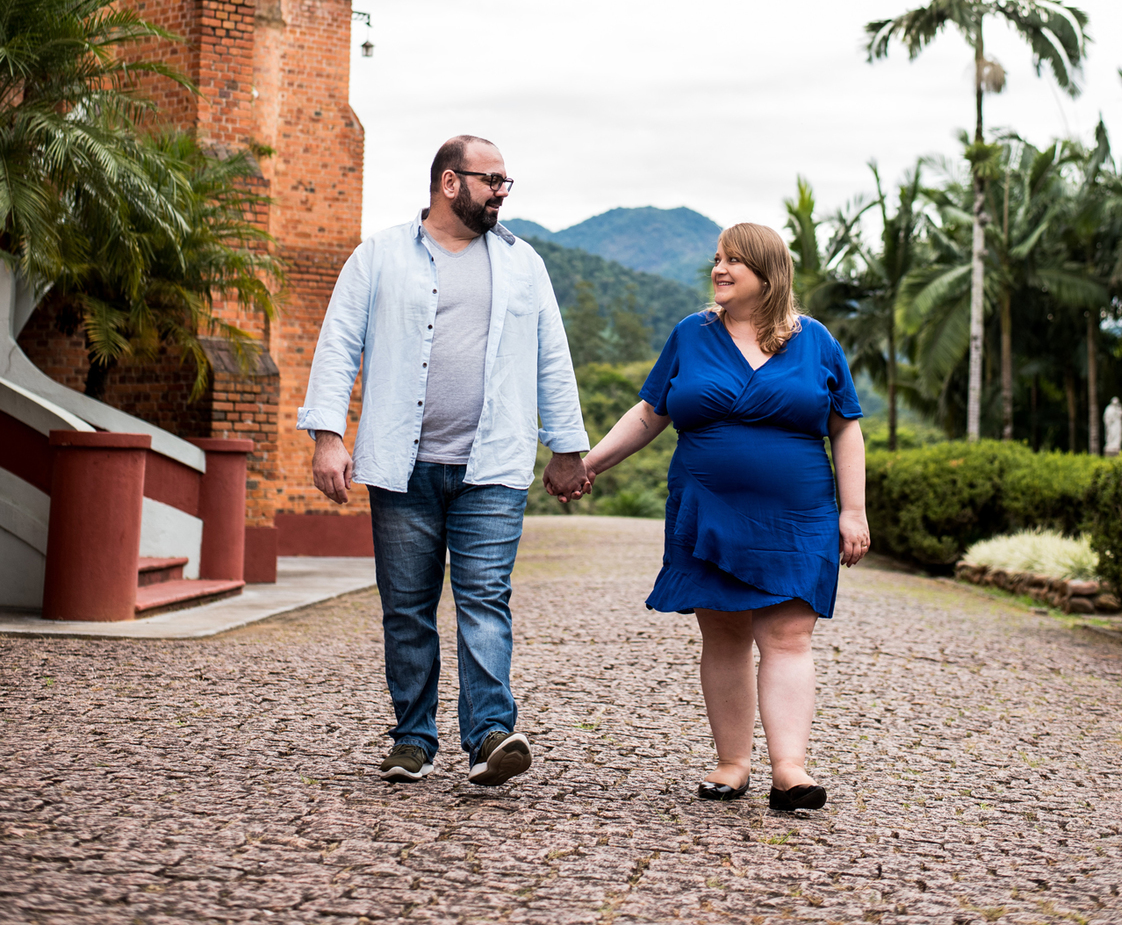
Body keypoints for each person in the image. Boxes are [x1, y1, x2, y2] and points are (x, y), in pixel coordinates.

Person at [298, 135, 589, 788]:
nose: (503, 193)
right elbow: (338, 341)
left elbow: (552, 357)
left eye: (507, 182)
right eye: (493, 181)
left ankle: (489, 734)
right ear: (450, 183)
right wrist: (327, 435)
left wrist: (567, 448)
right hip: (403, 466)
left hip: (493, 465)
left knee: (485, 598)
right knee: (407, 606)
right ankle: (412, 738)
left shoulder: (523, 264)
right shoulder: (378, 257)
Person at [577, 221, 869, 812]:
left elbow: (846, 428)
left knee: (788, 635)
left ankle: (790, 769)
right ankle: (732, 763)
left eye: (734, 260)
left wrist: (854, 510)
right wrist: (587, 466)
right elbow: (648, 414)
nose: (719, 269)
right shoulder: (690, 334)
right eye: (717, 258)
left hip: (799, 514)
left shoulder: (817, 342)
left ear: (769, 273)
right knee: (725, 632)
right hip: (708, 510)